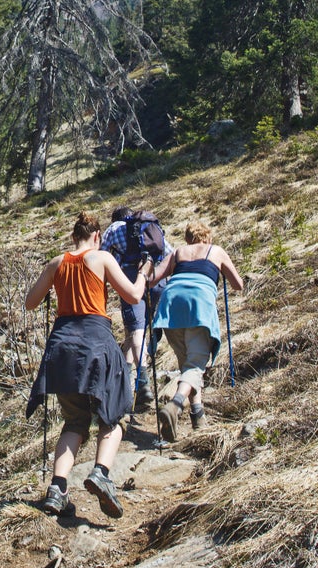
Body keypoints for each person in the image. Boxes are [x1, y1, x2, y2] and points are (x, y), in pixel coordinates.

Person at [25, 210, 154, 520]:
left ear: (74, 237)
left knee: (74, 422)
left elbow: (30, 302)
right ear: (97, 237)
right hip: (96, 342)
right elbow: (134, 295)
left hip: (62, 347)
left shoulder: (58, 262)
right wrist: (144, 273)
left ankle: (57, 488)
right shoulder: (102, 258)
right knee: (114, 414)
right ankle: (101, 473)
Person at [150, 222, 243, 441]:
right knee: (196, 364)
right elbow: (237, 284)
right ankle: (175, 404)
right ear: (207, 237)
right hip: (199, 306)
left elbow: (153, 279)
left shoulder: (178, 252)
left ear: (188, 237)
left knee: (187, 365)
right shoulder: (216, 251)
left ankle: (197, 416)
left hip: (171, 306)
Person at [101, 207, 173, 410]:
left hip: (132, 279)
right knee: (136, 334)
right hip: (157, 279)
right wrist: (156, 274)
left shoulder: (114, 228)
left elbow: (101, 256)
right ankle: (125, 383)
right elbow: (170, 253)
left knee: (136, 332)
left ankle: (143, 383)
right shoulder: (150, 226)